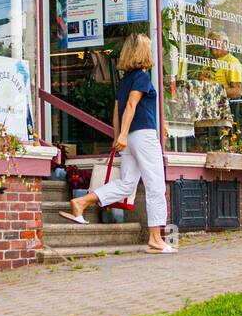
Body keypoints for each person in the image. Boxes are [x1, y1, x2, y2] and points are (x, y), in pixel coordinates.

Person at [58, 33, 176, 253]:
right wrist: (121, 135)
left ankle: (81, 203)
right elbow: (130, 107)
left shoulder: (124, 81)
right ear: (143, 52)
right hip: (143, 136)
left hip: (130, 138)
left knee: (127, 184)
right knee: (156, 186)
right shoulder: (141, 77)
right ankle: (155, 238)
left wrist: (119, 136)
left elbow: (117, 111)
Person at [198, 30, 242, 99]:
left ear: (225, 43)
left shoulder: (231, 61)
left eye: (215, 41)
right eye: (210, 42)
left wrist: (211, 85)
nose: (212, 45)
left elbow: (237, 92)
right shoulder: (209, 62)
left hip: (220, 105)